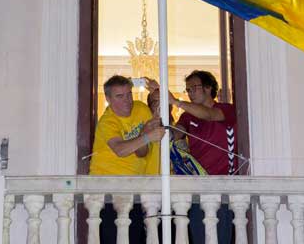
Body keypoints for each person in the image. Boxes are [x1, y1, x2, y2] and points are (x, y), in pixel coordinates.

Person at [90, 75, 165, 243]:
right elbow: (120, 150)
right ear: (108, 99)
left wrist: (157, 91)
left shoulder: (140, 109)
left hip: (136, 189)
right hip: (109, 192)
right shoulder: (107, 122)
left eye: (129, 94)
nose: (127, 100)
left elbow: (141, 153)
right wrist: (146, 136)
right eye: (120, 96)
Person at [171, 70, 237, 244]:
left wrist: (176, 102)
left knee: (221, 238)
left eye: (194, 88)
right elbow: (177, 133)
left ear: (208, 88)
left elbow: (208, 114)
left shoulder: (226, 109)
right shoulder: (187, 116)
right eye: (188, 90)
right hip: (196, 186)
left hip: (222, 187)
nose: (190, 93)